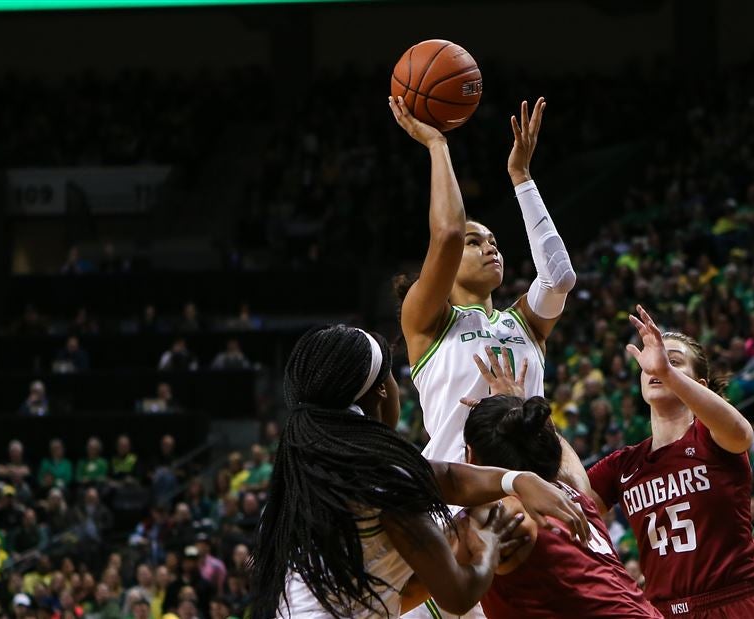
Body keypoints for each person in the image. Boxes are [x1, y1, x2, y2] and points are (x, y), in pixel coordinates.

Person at [250, 325, 588, 619]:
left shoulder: (309, 475)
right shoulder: (382, 478)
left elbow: (447, 477)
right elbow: (458, 593)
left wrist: (516, 479)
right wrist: (488, 545)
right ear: (382, 390)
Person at [393, 95, 573, 467]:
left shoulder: (524, 322)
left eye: (493, 242)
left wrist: (522, 178)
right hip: (457, 489)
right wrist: (437, 144)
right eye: (474, 242)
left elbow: (558, 276)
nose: (490, 247)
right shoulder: (428, 321)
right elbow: (447, 235)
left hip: (529, 484)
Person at [580, 305, 754, 618]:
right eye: (651, 362)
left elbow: (742, 434)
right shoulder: (623, 465)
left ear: (700, 385)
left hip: (732, 603)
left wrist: (667, 374)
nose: (656, 366)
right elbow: (568, 504)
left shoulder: (711, 436)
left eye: (673, 361)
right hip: (662, 611)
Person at [461, 388, 662, 618]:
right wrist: (520, 414)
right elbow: (567, 460)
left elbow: (439, 588)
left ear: (470, 457)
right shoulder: (576, 495)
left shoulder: (504, 516)